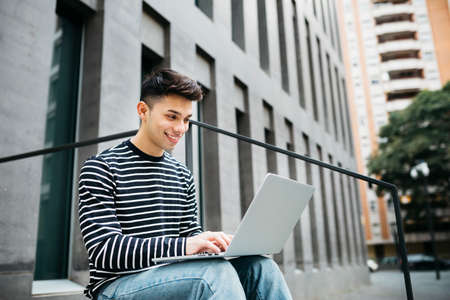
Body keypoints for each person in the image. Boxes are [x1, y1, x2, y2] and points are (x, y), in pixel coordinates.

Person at [78, 69, 292, 299]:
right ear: (143, 111)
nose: (181, 128)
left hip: (174, 278)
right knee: (212, 274)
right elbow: (104, 251)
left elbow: (190, 238)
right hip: (116, 288)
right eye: (172, 116)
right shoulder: (102, 167)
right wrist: (186, 246)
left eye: (186, 119)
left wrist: (214, 245)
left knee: (261, 267)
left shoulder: (182, 174)